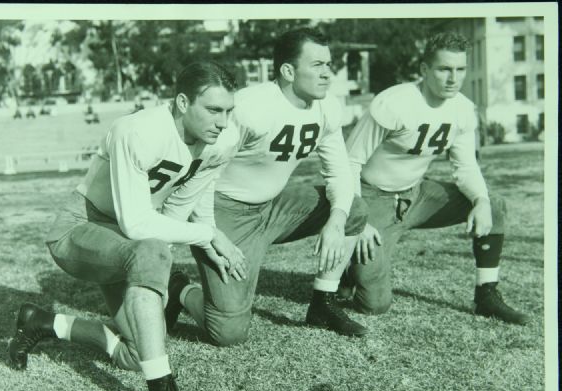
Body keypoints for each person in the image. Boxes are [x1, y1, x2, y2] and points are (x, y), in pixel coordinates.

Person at [8, 62, 246, 391]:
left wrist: (201, 235)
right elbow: (136, 224)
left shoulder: (223, 139)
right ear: (183, 102)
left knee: (137, 356)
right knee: (149, 252)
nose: (223, 121)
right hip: (81, 226)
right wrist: (206, 235)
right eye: (214, 110)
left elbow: (187, 196)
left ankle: (43, 322)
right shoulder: (138, 130)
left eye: (228, 110)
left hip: (129, 239)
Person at [163, 28, 371, 347]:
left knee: (353, 208)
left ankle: (323, 303)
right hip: (225, 211)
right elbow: (200, 172)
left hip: (273, 206)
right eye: (317, 65)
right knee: (228, 333)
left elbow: (339, 172)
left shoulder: (327, 106)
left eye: (328, 64)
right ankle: (179, 289)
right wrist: (209, 232)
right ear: (288, 71)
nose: (328, 73)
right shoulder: (251, 108)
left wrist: (337, 220)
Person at [338, 32, 529, 325]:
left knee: (494, 203)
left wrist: (479, 200)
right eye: (444, 69)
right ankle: (347, 267)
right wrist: (357, 218)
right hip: (374, 196)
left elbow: (465, 166)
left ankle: (486, 294)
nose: (453, 78)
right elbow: (349, 161)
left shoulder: (463, 108)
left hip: (416, 194)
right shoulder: (394, 103)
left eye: (460, 69)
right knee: (374, 304)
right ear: (424, 70)